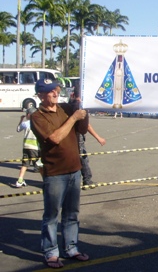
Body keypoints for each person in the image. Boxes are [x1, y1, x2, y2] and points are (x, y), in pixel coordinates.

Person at [30, 79, 90, 269]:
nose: (55, 93)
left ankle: (71, 248)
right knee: (52, 215)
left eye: (56, 90)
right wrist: (73, 118)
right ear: (40, 95)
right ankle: (51, 252)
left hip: (74, 170)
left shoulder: (65, 107)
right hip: (55, 173)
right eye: (50, 91)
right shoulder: (37, 116)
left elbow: (81, 129)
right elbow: (54, 138)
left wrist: (82, 110)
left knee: (72, 213)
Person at [70, 87, 106, 188]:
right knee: (82, 157)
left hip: (70, 135)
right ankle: (87, 179)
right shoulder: (80, 107)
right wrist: (98, 138)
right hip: (77, 135)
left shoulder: (70, 104)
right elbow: (87, 126)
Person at [15, 107, 40, 188]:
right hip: (34, 147)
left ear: (28, 115)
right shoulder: (38, 123)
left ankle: (20, 180)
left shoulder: (25, 123)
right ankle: (46, 182)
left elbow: (18, 129)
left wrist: (21, 120)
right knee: (39, 165)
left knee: (25, 164)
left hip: (26, 147)